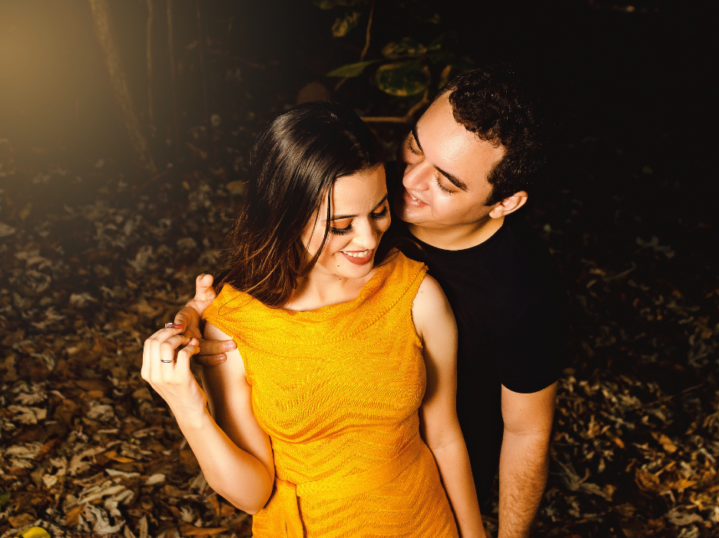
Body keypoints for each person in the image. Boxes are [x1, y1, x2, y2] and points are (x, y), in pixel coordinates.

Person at [178, 64, 565, 538]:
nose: (409, 183)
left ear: (504, 203)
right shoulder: (371, 180)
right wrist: (199, 315)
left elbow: (520, 434)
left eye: (445, 183)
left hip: (434, 482)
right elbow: (298, 188)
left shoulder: (518, 293)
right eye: (414, 147)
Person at [142, 102, 485, 538]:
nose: (367, 239)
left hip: (423, 523)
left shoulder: (415, 294)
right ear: (285, 218)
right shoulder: (234, 326)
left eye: (379, 211)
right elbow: (253, 494)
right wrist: (187, 408)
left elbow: (444, 438)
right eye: (340, 225)